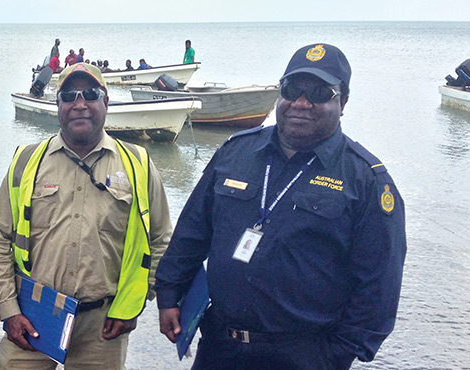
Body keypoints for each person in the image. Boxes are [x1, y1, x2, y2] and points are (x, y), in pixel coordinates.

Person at [155, 43, 406, 369]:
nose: (301, 102)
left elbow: (379, 287)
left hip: (303, 356)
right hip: (219, 346)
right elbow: (192, 231)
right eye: (291, 89)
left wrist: (334, 356)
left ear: (342, 102)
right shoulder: (235, 153)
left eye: (318, 92)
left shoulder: (367, 182)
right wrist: (170, 293)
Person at [0, 63, 173, 369]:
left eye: (91, 94)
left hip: (103, 326)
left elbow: (162, 239)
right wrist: (8, 309)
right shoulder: (26, 162)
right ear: (57, 105)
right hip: (32, 315)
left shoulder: (138, 164)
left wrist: (132, 306)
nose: (80, 104)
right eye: (69, 95)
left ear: (106, 102)